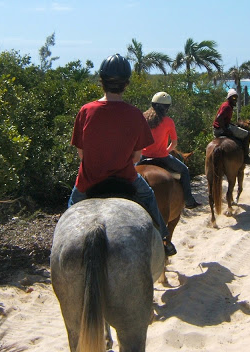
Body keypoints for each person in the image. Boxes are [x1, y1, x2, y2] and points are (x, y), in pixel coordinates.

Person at [68, 53, 177, 256]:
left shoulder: (85, 111)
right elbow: (137, 158)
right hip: (125, 179)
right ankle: (163, 238)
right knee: (148, 195)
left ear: (101, 81)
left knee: (69, 213)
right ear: (126, 84)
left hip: (88, 181)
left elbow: (81, 154)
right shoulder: (135, 114)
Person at [140, 92, 202, 209]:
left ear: (153, 104)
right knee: (184, 171)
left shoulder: (143, 118)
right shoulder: (168, 121)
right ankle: (189, 201)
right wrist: (166, 150)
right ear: (167, 108)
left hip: (142, 156)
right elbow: (174, 143)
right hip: (162, 157)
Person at [213, 88, 250, 166]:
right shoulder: (227, 106)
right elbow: (219, 118)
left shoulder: (226, 105)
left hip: (217, 129)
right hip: (221, 129)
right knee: (247, 134)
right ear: (229, 98)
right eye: (233, 98)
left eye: (236, 98)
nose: (235, 100)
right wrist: (225, 129)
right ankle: (246, 156)